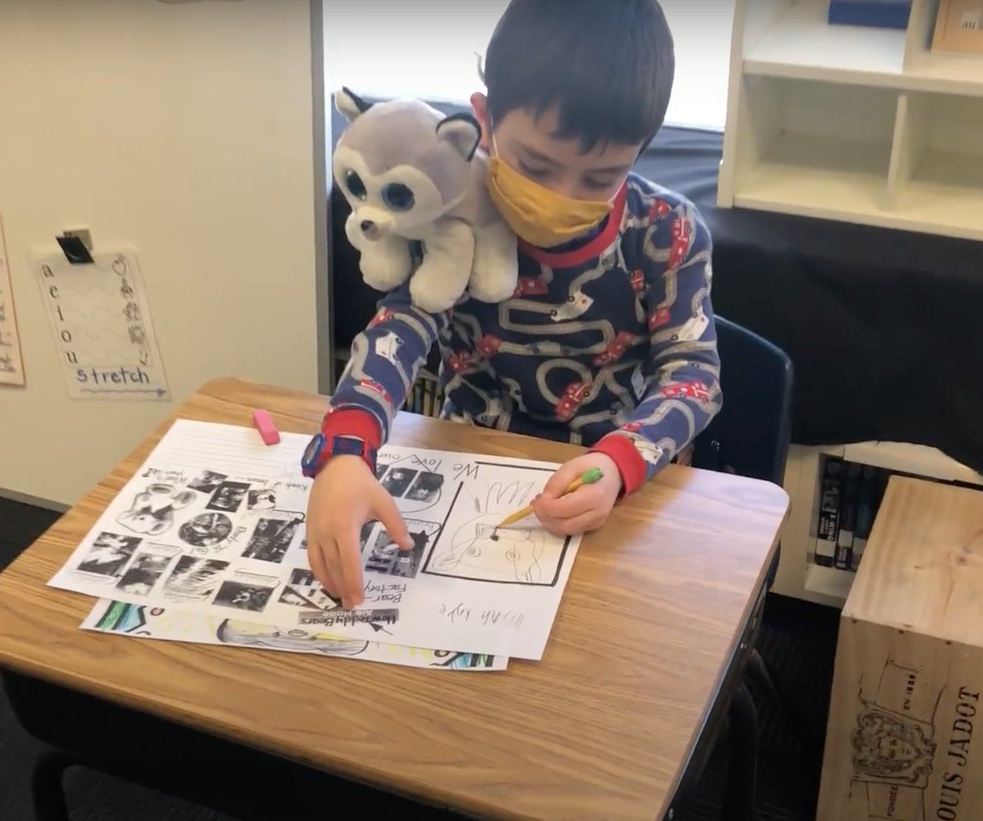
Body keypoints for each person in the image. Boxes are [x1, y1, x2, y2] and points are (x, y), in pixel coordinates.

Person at [301, 0, 723, 608]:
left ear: (640, 154)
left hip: (612, 481)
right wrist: (345, 452)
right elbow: (400, 328)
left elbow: (693, 376)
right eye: (534, 165)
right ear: (483, 119)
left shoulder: (667, 230)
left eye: (600, 178)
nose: (561, 196)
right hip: (470, 467)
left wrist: (618, 463)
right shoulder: (449, 216)